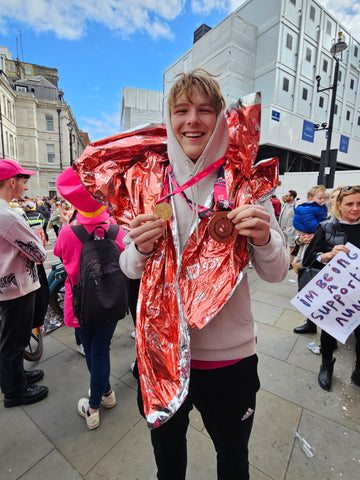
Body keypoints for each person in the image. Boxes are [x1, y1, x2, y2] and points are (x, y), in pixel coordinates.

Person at [114, 70, 289, 479]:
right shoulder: (156, 185)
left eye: (205, 110)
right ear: (170, 118)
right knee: (168, 464)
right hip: (161, 355)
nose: (192, 119)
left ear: (220, 118)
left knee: (233, 461)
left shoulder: (244, 182)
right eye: (182, 110)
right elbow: (129, 265)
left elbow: (278, 273)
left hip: (229, 361)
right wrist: (139, 248)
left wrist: (264, 238)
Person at [53, 167, 126, 430]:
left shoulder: (67, 233)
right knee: (101, 350)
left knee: (91, 350)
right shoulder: (117, 230)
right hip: (111, 300)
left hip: (80, 303)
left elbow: (60, 255)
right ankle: (105, 393)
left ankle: (93, 406)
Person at [300, 185, 360, 390]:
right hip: (335, 294)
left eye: (359, 203)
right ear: (340, 205)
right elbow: (309, 259)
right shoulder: (326, 227)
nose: (355, 208)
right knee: (329, 331)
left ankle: (358, 370)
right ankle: (326, 366)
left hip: (358, 295)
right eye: (350, 204)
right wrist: (327, 256)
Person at [0, 159, 48, 407]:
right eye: (23, 180)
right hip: (17, 287)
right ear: (11, 182)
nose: (26, 186)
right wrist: (34, 247)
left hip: (9, 285)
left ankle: (16, 377)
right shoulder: (7, 215)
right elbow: (40, 253)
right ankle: (14, 390)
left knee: (13, 338)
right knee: (15, 340)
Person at [292, 185, 328, 334]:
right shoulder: (314, 211)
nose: (325, 201)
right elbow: (298, 237)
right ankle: (311, 323)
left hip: (323, 258)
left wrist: (315, 237)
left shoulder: (326, 215)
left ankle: (327, 330)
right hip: (309, 256)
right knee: (309, 289)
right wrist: (300, 239)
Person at [279, 189, 297, 268]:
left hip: (290, 229)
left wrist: (293, 228)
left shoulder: (295, 206)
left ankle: (290, 263)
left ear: (292, 197)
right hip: (282, 229)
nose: (285, 197)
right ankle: (284, 261)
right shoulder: (284, 205)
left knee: (292, 246)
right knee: (283, 245)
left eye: (287, 196)